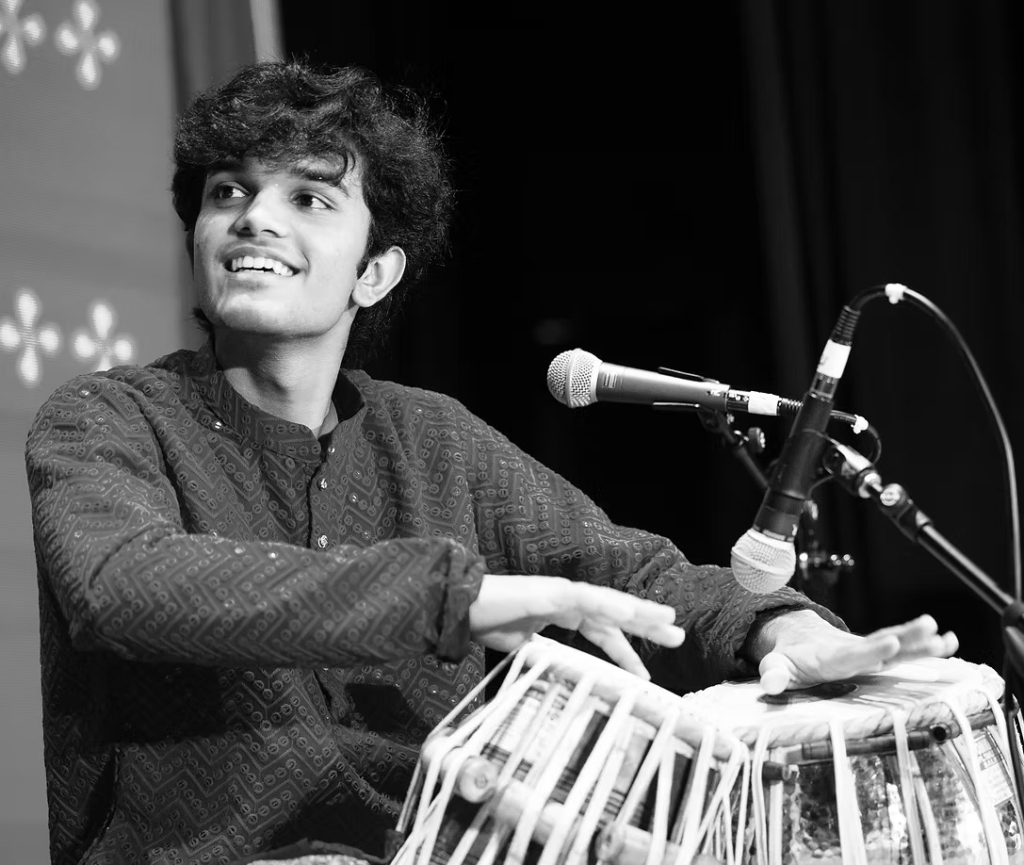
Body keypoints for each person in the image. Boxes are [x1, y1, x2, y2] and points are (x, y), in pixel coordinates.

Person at [25, 61, 957, 865]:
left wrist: (780, 631)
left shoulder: (430, 440)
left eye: (307, 198)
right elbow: (121, 581)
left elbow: (634, 573)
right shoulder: (109, 418)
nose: (253, 219)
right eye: (228, 192)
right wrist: (455, 597)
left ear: (375, 272)